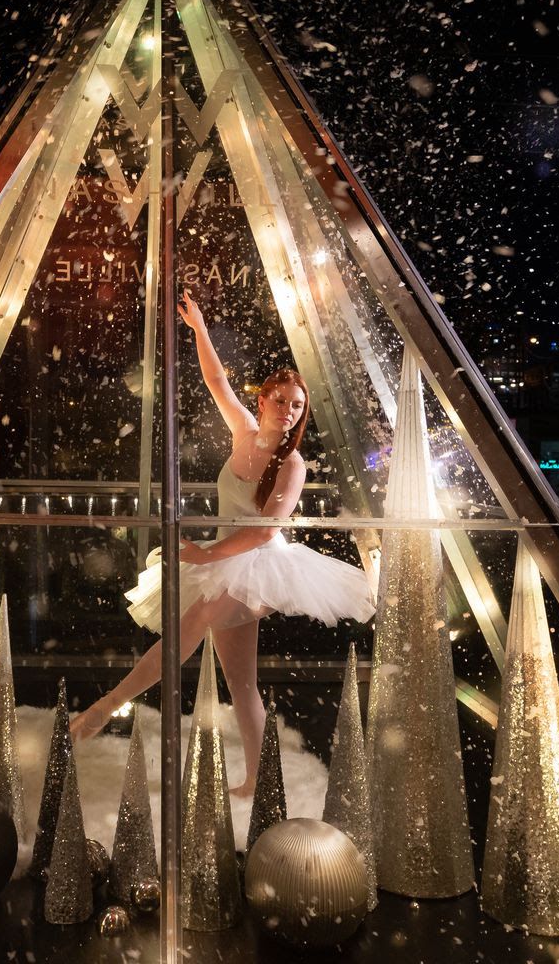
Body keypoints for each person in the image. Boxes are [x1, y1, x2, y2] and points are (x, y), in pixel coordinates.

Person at [70, 290, 375, 796]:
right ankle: (258, 778)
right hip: (225, 558)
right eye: (281, 402)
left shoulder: (293, 465)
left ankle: (104, 708)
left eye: (297, 407)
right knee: (241, 681)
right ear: (264, 401)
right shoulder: (244, 433)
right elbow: (217, 381)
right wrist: (200, 329)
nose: (289, 412)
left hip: (257, 565)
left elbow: (264, 532)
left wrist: (207, 555)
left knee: (189, 628)